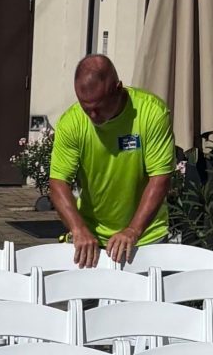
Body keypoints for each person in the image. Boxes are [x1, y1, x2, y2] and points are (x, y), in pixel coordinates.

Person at [47, 56, 175, 267]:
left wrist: (133, 230)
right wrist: (78, 229)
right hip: (91, 238)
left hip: (146, 238)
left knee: (142, 301)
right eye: (86, 108)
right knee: (86, 299)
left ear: (118, 89)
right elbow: (58, 182)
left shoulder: (151, 113)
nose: (93, 115)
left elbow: (160, 178)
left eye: (99, 106)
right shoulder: (72, 122)